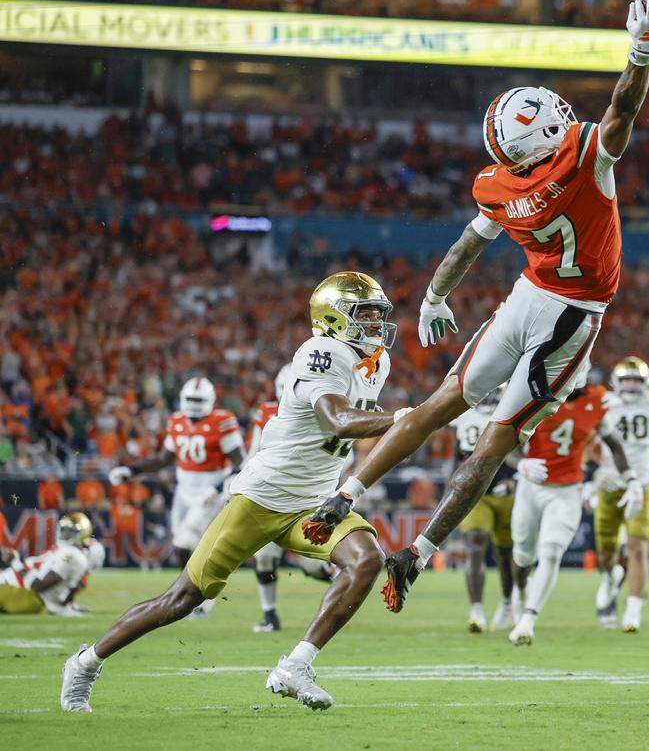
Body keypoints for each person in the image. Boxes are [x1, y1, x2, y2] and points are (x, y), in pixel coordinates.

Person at [316, 0, 649, 613]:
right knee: (496, 439)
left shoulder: (495, 183)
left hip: (525, 298)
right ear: (543, 130)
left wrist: (434, 296)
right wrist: (642, 47)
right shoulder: (583, 155)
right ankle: (419, 553)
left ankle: (345, 493)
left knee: (438, 406)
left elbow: (465, 245)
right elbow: (624, 106)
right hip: (571, 314)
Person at [61, 272, 404, 713]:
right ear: (334, 318)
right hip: (264, 496)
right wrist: (407, 416)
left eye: (379, 314)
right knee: (181, 599)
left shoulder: (376, 361)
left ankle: (296, 665)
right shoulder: (322, 351)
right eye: (366, 314)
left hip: (314, 503)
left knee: (367, 559)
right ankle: (86, 663)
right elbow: (339, 420)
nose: (376, 323)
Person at [507, 379, 639, 645]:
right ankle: (521, 591)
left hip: (567, 490)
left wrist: (632, 479)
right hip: (531, 486)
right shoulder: (532, 391)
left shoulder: (595, 401)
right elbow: (501, 439)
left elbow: (614, 443)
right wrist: (521, 464)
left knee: (552, 552)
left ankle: (528, 620)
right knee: (523, 554)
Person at [109, 376, 244, 619]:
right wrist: (132, 471)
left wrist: (216, 488)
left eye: (198, 400)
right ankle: (196, 593)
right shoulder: (177, 421)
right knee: (182, 545)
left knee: (185, 543)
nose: (193, 404)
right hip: (183, 490)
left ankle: (197, 595)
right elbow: (164, 459)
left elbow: (239, 463)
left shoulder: (222, 421)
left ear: (210, 400)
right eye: (190, 399)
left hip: (208, 490)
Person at [249, 365, 338, 633]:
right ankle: (269, 615)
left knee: (312, 567)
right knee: (264, 556)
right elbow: (253, 451)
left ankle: (346, 590)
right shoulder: (266, 412)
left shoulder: (323, 411)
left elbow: (341, 453)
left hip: (309, 495)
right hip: (273, 493)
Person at [591, 356, 649, 632]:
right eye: (626, 380)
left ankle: (633, 609)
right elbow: (590, 442)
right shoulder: (604, 404)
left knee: (639, 547)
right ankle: (610, 578)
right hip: (609, 484)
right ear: (616, 382)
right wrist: (591, 474)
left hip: (643, 483)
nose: (630, 385)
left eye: (636, 380)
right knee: (607, 553)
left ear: (645, 383)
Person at [449, 385, 518, 633]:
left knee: (506, 552)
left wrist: (515, 480)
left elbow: (524, 455)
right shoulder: (464, 417)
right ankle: (476, 609)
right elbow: (458, 457)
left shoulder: (514, 413)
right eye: (485, 392)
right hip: (475, 493)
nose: (488, 397)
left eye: (493, 393)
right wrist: (452, 488)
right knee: (475, 544)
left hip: (505, 492)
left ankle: (509, 602)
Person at [0, 513, 100, 616]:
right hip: (14, 586)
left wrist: (16, 563)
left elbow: (37, 586)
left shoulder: (72, 555)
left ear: (82, 534)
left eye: (71, 531)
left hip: (20, 592)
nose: (65, 534)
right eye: (64, 530)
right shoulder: (61, 550)